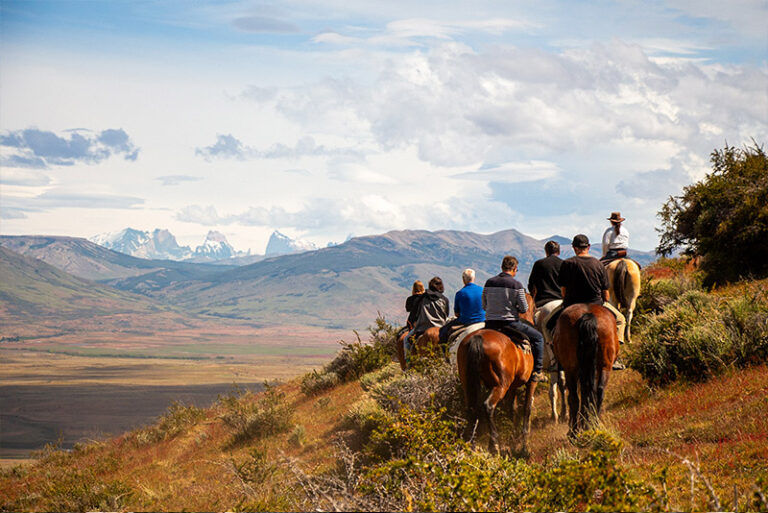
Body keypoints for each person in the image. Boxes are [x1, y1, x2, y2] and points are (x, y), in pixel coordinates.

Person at [557, 234, 627, 369]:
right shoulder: (598, 264)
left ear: (574, 248)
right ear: (588, 247)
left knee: (549, 323)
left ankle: (555, 358)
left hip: (572, 304)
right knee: (620, 320)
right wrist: (604, 301)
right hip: (596, 302)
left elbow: (563, 291)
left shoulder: (567, 263)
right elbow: (606, 293)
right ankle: (614, 355)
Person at [483, 256, 546, 382]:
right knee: (538, 338)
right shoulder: (516, 285)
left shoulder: (489, 282)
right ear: (515, 269)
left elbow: (484, 305)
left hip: (490, 324)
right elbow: (523, 308)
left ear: (502, 267)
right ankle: (538, 371)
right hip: (509, 323)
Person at [528, 241, 564, 371]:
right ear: (558, 252)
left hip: (543, 303)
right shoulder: (564, 264)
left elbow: (531, 286)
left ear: (546, 252)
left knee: (534, 330)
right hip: (563, 302)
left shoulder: (539, 264)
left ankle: (542, 364)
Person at [405, 276, 450, 357]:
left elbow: (415, 313)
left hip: (422, 328)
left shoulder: (422, 298)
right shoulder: (444, 299)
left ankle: (408, 362)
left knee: (406, 340)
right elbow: (446, 314)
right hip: (441, 329)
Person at [438, 268, 485, 345]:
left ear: (463, 279)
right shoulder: (482, 290)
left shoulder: (460, 293)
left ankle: (444, 352)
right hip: (483, 320)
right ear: (474, 278)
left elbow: (457, 314)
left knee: (443, 331)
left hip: (466, 321)